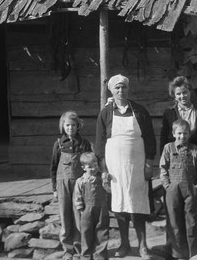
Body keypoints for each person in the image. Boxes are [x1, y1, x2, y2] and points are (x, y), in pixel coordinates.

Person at [96, 74, 156, 259]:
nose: (120, 91)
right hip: (115, 168)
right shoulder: (105, 113)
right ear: (111, 91)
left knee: (138, 205)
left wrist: (149, 163)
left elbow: (150, 139)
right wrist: (104, 171)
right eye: (117, 88)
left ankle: (143, 246)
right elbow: (100, 144)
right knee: (119, 205)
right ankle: (124, 244)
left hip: (136, 166)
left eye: (123, 88)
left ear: (128, 89)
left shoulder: (139, 110)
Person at [160, 120, 197, 260]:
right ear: (174, 134)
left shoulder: (194, 149)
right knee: (174, 222)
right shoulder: (168, 148)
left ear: (189, 134)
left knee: (191, 221)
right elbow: (163, 169)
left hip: (190, 188)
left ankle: (193, 253)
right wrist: (167, 185)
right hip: (173, 188)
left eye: (185, 133)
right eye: (179, 133)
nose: (182, 136)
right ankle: (178, 254)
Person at [51, 110, 93, 260]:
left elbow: (89, 164)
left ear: (78, 126)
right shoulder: (58, 144)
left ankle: (79, 247)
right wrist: (54, 188)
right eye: (67, 125)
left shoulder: (84, 144)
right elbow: (53, 167)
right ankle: (68, 250)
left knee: (78, 216)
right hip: (62, 185)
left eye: (73, 125)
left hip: (79, 185)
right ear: (63, 126)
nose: (70, 128)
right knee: (65, 215)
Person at [74, 152, 111, 260]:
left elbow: (109, 190)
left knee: (102, 232)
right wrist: (80, 209)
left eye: (95, 166)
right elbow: (78, 196)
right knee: (86, 233)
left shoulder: (102, 178)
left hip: (101, 209)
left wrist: (106, 180)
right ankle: (85, 255)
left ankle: (100, 255)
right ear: (83, 168)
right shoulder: (81, 181)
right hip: (87, 210)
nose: (94, 169)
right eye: (90, 167)